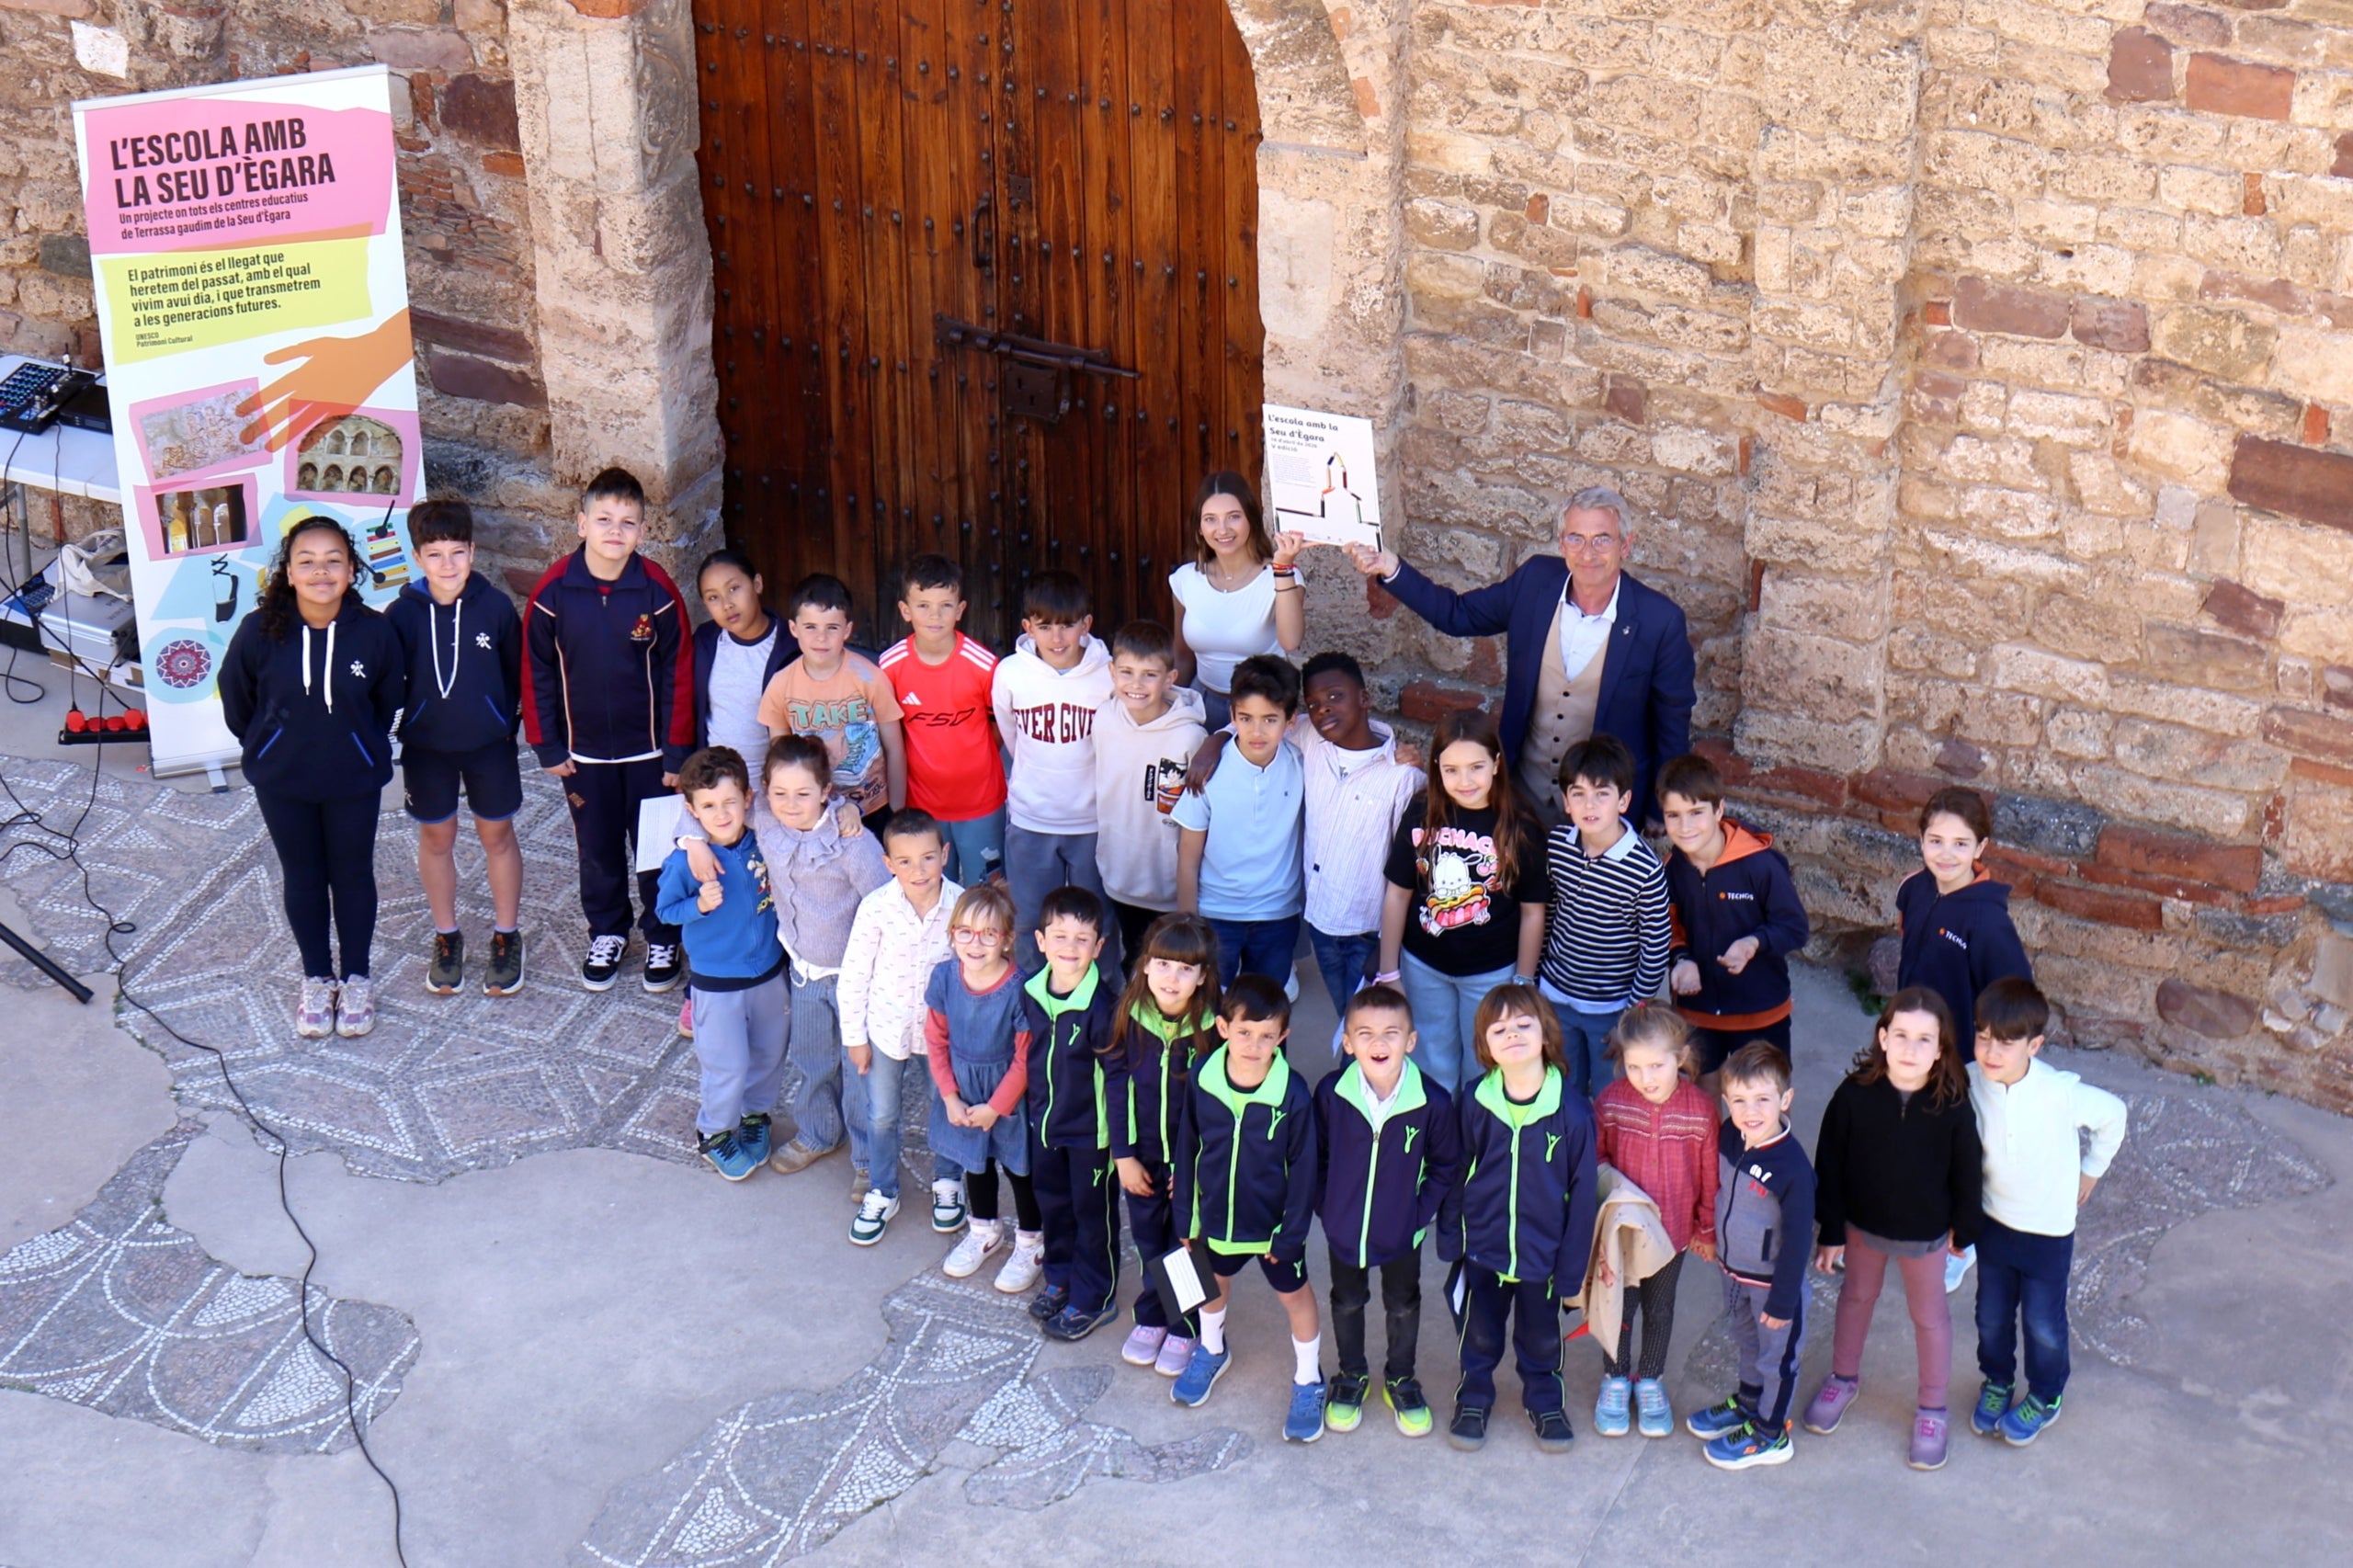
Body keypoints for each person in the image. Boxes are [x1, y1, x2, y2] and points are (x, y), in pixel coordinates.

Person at [1343, 485, 1695, 819]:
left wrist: (1659, 809)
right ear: (1562, 543)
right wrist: (1391, 568)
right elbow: (1458, 615)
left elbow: (1671, 722)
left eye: (1602, 539)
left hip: (1602, 813)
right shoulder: (1535, 581)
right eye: (1576, 538)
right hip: (1521, 796)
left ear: (1626, 545)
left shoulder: (1659, 620)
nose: (1588, 553)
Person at [219, 515, 404, 1039]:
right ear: (289, 572)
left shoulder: (375, 632)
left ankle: (357, 978)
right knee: (302, 875)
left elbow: (389, 700)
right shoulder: (259, 631)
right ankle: (317, 979)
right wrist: (269, 743)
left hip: (353, 780)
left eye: (333, 561)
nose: (321, 572)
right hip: (284, 780)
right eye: (307, 562)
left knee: (352, 874)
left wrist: (361, 745)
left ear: (351, 570)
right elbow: (237, 698)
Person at [522, 466, 695, 993]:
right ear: (581, 524)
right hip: (584, 756)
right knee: (597, 850)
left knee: (656, 851)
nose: (615, 531)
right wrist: (546, 744)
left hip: (650, 756)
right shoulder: (553, 593)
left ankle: (663, 934)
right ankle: (607, 931)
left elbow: (679, 671)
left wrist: (677, 752)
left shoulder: (657, 591)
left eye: (627, 522)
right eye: (603, 519)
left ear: (642, 530)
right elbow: (536, 671)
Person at [1805, 987, 1984, 1471]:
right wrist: (1831, 1230)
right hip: (1862, 1226)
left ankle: (1932, 1409)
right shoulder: (1853, 1095)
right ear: (1882, 1038)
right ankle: (1843, 1378)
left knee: (1930, 1316)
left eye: (1925, 1039)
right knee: (1855, 1298)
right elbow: (1830, 1163)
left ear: (1941, 1049)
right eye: (1901, 1035)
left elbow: (1968, 1169)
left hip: (1926, 1234)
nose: (1911, 1048)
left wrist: (1965, 1229)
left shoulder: (1953, 1103)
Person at [1189, 651, 1421, 1015]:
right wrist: (1214, 740)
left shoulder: (1402, 775)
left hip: (1368, 928)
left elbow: (1409, 870)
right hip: (1320, 923)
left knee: (1363, 1025)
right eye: (1313, 704)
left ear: (1365, 698)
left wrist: (1388, 949)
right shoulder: (1309, 739)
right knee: (1344, 1017)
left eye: (1335, 696)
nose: (1323, 709)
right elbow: (1257, 721)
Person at [707, 735, 888, 1184]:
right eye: (780, 792)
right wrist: (691, 841)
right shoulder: (766, 819)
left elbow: (886, 907)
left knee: (859, 1069)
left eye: (804, 793)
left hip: (855, 978)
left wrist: (850, 808)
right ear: (764, 791)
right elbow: (701, 807)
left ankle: (869, 1159)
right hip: (803, 972)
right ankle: (819, 1133)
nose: (790, 804)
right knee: (812, 1060)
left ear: (826, 791)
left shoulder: (853, 844)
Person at [1437, 983, 1598, 1455]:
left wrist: (1571, 1269)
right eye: (1499, 1029)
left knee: (1541, 1338)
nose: (1512, 1035)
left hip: (1542, 1256)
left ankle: (1545, 1402)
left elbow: (1582, 1196)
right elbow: (1457, 1171)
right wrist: (1451, 1237)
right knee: (1478, 1333)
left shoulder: (1572, 1113)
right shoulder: (1474, 1101)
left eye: (1524, 1025)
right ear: (1484, 1045)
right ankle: (1473, 1398)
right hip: (1483, 1249)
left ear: (1546, 1034)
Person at [1967, 976, 2127, 1447]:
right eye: (1983, 1036)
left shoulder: (2060, 1092)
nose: (1991, 1051)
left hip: (2047, 1232)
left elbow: (2114, 1114)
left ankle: (2046, 1394)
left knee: (2042, 1321)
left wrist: (2091, 1171)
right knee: (1991, 1315)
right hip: (1993, 1223)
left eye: (2006, 1042)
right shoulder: (1972, 1080)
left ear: (2034, 1046)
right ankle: (1997, 1380)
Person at [1169, 973, 1324, 1444]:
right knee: (1211, 1285)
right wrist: (1185, 1215)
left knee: (1295, 1296)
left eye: (1266, 1036)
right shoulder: (1203, 1078)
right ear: (1222, 1028)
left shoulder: (1293, 1093)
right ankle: (1212, 1348)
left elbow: (1305, 1170)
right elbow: (1186, 1147)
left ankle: (1308, 1378)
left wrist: (1292, 1234)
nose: (1254, 1046)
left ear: (1283, 1037)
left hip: (1273, 1228)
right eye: (1244, 1032)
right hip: (1215, 1218)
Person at [386, 498, 525, 998]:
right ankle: (447, 936)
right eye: (435, 554)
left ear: (473, 551)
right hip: (427, 749)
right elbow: (389, 682)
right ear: (417, 557)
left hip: (489, 746)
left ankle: (507, 935)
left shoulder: (496, 607)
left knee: (497, 836)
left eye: (457, 552)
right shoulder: (401, 614)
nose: (448, 565)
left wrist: (504, 723)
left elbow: (515, 673)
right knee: (436, 838)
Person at [1897, 784, 2030, 1295]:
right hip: (1913, 1046)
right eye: (1935, 841)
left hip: (1961, 1059)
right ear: (1921, 841)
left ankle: (1961, 1243)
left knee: (1960, 1153)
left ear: (1981, 848)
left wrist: (1996, 1056)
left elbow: (2014, 993)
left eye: (1960, 844)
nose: (1946, 854)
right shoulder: (1915, 889)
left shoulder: (1988, 920)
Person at [1375, 707, 1549, 1096]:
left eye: (1476, 767)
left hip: (1492, 972)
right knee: (1431, 1062)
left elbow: (1532, 911)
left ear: (1497, 764)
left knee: (1484, 1065)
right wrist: (1389, 972)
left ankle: (1475, 1131)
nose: (1465, 780)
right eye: (1451, 769)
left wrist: (1523, 980)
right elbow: (1398, 893)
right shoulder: (1421, 812)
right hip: (1423, 966)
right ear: (1436, 767)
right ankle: (1438, 1131)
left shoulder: (1521, 826)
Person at [1313, 983, 1460, 1439]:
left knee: (1402, 1303)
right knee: (1346, 1300)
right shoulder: (1332, 1094)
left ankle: (1401, 1377)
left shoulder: (1433, 1102)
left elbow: (1446, 1165)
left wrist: (1418, 1215)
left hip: (1402, 1232)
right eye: (1366, 1033)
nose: (1379, 1043)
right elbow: (1314, 1156)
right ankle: (1351, 1374)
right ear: (1348, 1043)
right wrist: (1327, 1207)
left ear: (1410, 1041)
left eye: (1391, 1033)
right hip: (1344, 1229)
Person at [654, 746, 790, 1179]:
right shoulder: (684, 862)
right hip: (717, 984)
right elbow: (664, 911)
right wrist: (698, 905)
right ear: (692, 811)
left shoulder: (765, 841)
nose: (722, 813)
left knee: (769, 1053)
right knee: (725, 1065)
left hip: (770, 974)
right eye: (709, 806)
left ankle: (756, 1115)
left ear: (748, 798)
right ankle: (713, 1133)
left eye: (730, 801)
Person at [1587, 1006, 1717, 1439]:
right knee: (1620, 1306)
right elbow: (1597, 1160)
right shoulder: (1611, 1102)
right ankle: (1615, 1377)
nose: (1646, 1078)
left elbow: (1709, 1177)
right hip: (1622, 1235)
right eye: (1634, 1066)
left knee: (1659, 1308)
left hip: (1672, 1234)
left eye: (1657, 1066)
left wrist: (1706, 1228)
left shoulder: (1701, 1111)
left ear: (1681, 1058)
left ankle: (1650, 1379)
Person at [1687, 1039, 1814, 1471]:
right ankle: (1749, 1402)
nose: (1750, 1111)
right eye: (1739, 1100)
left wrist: (1783, 1301)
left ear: (1785, 1100)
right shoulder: (1729, 1135)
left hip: (1773, 1287)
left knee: (1777, 1358)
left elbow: (1798, 1240)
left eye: (1763, 1099)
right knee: (1746, 1342)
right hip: (1733, 1271)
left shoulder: (1792, 1168)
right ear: (1726, 1101)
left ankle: (1770, 1433)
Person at [1103, 912, 1221, 1376]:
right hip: (1143, 1158)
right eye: (1163, 964)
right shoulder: (1129, 1017)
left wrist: (1197, 1170)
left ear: (1202, 977)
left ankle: (1185, 1326)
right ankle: (1153, 1315)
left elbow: (1217, 1108)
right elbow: (1116, 1088)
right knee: (1149, 1238)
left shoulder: (1213, 1030)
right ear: (1145, 965)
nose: (1172, 977)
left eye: (1186, 968)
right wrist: (1123, 1156)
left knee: (1186, 1242)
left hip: (1190, 1164)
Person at [839, 810, 963, 1249]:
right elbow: (855, 975)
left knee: (944, 1104)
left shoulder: (961, 907)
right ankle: (883, 1189)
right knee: (882, 1114)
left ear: (944, 854)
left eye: (928, 858)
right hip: (885, 1028)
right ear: (888, 863)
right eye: (905, 861)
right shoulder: (875, 908)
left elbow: (973, 969)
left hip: (941, 1034)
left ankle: (948, 1179)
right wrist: (855, 1038)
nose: (919, 870)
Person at [1655, 751, 1809, 1085]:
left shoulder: (1761, 865)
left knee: (1764, 1099)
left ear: (1719, 809)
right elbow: (1668, 928)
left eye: (1696, 813)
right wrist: (1681, 959)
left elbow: (1795, 927)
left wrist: (1754, 943)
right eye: (1674, 815)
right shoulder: (1669, 870)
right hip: (1696, 1010)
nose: (1685, 827)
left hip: (1760, 1011)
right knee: (1702, 1099)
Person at [992, 572, 1119, 971]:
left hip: (1092, 820)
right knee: (1030, 918)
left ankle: (1103, 994)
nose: (1057, 637)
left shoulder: (1108, 674)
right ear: (1028, 628)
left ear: (1086, 624)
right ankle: (1034, 994)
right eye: (1045, 626)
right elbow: (1011, 735)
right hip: (1032, 817)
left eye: (1067, 625)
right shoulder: (1011, 673)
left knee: (1097, 919)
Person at [1536, 734, 1672, 1096]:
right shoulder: (1558, 846)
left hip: (1611, 1010)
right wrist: (1536, 983)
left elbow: (1654, 948)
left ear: (1624, 800)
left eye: (1602, 793)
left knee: (1609, 1097)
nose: (1589, 804)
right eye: (1578, 794)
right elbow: (1548, 915)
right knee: (1562, 1091)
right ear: (1566, 802)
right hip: (1556, 996)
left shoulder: (1645, 870)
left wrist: (1630, 1016)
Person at [914, 881, 1040, 1267]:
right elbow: (936, 1039)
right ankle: (984, 1230)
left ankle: (1032, 1240)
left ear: (1007, 940)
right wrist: (950, 1096)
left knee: (1019, 1169)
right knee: (975, 1163)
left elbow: (1025, 1058)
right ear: (952, 933)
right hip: (963, 1090)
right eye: (965, 931)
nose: (975, 943)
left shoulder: (1020, 989)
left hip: (1008, 1094)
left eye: (989, 934)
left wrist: (996, 1107)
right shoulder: (945, 977)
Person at [1019, 886, 1123, 1340]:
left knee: (1092, 1215)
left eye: (1082, 939)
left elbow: (1117, 1080)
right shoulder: (1030, 992)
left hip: (1090, 1136)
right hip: (1045, 1126)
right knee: (1054, 1206)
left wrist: (1120, 1143)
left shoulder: (1103, 1008)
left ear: (1099, 947)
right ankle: (1060, 1277)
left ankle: (1094, 1295)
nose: (1070, 948)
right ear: (1041, 941)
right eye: (1060, 937)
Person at [1172, 654, 1306, 988]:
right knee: (1209, 1007)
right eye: (1246, 718)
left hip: (1277, 914)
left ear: (1291, 720)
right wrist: (1189, 924)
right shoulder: (1208, 772)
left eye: (1270, 719)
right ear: (1232, 716)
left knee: (1265, 1006)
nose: (1256, 731)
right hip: (1217, 914)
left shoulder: (1301, 765)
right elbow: (1188, 857)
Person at [880, 554, 1006, 884]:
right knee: (930, 890)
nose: (934, 616)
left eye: (945, 606)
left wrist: (974, 760)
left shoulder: (983, 666)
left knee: (986, 892)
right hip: (922, 806)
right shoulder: (890, 667)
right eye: (923, 606)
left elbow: (999, 726)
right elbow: (888, 734)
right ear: (905, 610)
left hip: (980, 803)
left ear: (960, 610)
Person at [1092, 620, 1209, 964]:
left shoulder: (1189, 737)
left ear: (1170, 679)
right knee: (1132, 959)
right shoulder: (1104, 719)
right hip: (1119, 873)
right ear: (1111, 672)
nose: (1136, 684)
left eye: (1149, 675)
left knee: (1167, 961)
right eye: (1126, 672)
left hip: (1167, 880)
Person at [756, 574, 904, 831]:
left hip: (873, 807)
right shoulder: (780, 686)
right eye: (810, 627)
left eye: (832, 628)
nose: (821, 637)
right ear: (794, 629)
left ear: (847, 630)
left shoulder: (871, 679)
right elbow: (781, 759)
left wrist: (898, 813)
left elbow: (895, 749)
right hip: (812, 811)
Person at [1166, 472, 1305, 729]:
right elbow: (1183, 657)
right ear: (1200, 527)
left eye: (1233, 516)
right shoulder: (1185, 579)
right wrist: (1168, 712)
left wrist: (1283, 567)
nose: (1223, 529)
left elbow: (1291, 641)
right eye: (1211, 519)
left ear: (1251, 518)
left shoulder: (1280, 576)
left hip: (1260, 713)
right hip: (1201, 705)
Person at [689, 547, 795, 759]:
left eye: (734, 588)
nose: (727, 604)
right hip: (715, 775)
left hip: (773, 777)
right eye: (713, 597)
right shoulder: (704, 642)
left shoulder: (791, 646)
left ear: (757, 584)